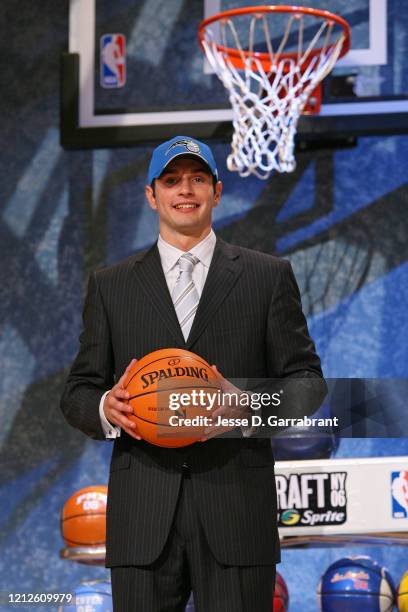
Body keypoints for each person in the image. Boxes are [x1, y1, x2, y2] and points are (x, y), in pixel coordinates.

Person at [60, 136, 326, 611]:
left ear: (217, 191)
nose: (186, 190)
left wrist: (246, 405)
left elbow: (307, 382)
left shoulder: (268, 276)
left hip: (237, 511)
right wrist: (107, 407)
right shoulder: (111, 285)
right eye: (172, 180)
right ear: (152, 194)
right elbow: (78, 391)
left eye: (198, 178)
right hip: (143, 517)